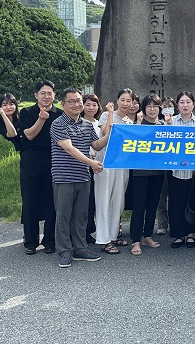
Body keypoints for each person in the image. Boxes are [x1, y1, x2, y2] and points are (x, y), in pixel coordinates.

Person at [50, 88, 114, 268]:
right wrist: (91, 163)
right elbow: (69, 149)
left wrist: (111, 134)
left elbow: (97, 145)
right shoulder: (58, 124)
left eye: (78, 100)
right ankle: (64, 250)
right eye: (72, 101)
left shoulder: (86, 124)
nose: (77, 104)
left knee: (81, 215)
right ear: (63, 104)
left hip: (83, 176)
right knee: (63, 215)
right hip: (63, 177)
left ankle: (80, 248)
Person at [19, 80, 62, 255]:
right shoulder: (27, 112)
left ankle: (49, 240)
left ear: (54, 95)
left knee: (52, 200)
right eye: (43, 93)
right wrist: (41, 120)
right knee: (30, 199)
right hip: (31, 159)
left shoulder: (60, 114)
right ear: (36, 95)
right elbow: (28, 135)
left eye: (49, 93)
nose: (46, 96)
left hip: (54, 158)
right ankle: (30, 241)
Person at [94, 88, 134, 254]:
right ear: (117, 100)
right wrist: (110, 112)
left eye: (128, 101)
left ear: (132, 103)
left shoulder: (130, 122)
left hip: (122, 165)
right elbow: (106, 133)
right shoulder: (106, 116)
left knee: (118, 201)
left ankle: (113, 235)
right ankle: (103, 239)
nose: (125, 103)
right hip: (105, 164)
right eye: (122, 100)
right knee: (104, 200)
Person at [129, 94, 166, 256]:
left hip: (158, 172)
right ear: (143, 109)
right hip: (140, 172)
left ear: (160, 109)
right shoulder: (137, 125)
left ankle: (147, 235)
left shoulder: (164, 125)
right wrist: (137, 125)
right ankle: (135, 240)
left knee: (153, 204)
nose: (152, 109)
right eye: (149, 106)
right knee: (139, 206)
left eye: (155, 106)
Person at [168, 91, 195, 249]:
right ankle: (179, 234)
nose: (185, 105)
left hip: (194, 171)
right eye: (181, 102)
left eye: (188, 102)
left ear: (193, 104)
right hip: (175, 170)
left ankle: (191, 234)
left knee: (193, 202)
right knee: (176, 203)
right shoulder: (171, 121)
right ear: (177, 105)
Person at [81, 93, 103, 245]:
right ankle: (83, 232)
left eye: (94, 105)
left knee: (96, 200)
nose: (91, 108)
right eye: (87, 104)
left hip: (100, 165)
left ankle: (91, 229)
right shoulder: (79, 122)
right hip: (84, 165)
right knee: (85, 201)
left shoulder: (99, 123)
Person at [156, 96, 178, 235]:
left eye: (170, 106)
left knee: (175, 196)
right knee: (161, 197)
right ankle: (162, 224)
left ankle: (175, 224)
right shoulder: (156, 123)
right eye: (164, 106)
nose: (167, 108)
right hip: (160, 165)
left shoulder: (178, 121)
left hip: (176, 164)